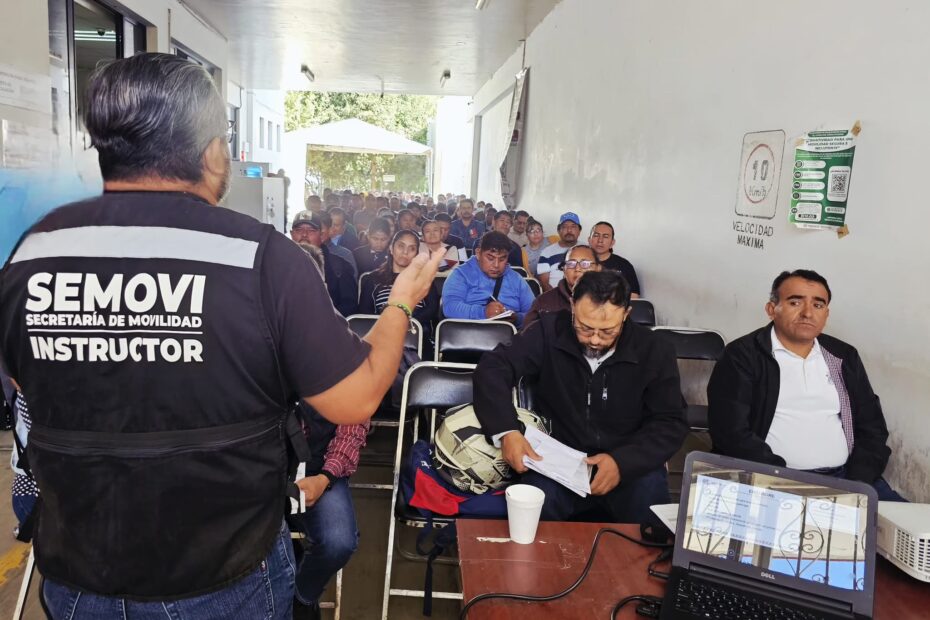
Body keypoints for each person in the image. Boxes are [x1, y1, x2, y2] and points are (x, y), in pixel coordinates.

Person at [0, 53, 445, 618]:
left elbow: (22, 381)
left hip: (78, 572)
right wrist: (402, 301)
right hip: (223, 577)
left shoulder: (35, 249)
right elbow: (355, 398)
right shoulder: (261, 258)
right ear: (211, 152)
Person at [473, 271, 688, 523]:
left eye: (608, 331)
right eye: (584, 328)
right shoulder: (548, 332)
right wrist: (507, 431)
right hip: (556, 463)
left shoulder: (654, 350)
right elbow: (494, 367)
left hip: (629, 464)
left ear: (626, 314)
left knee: (651, 527)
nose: (595, 340)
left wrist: (622, 462)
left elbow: (670, 420)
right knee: (531, 515)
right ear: (572, 306)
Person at [707, 270, 905, 501]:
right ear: (772, 309)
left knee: (910, 520)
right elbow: (730, 431)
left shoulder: (843, 356)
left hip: (846, 478)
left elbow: (872, 426)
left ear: (826, 314)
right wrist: (782, 479)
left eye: (818, 305)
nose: (808, 313)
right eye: (795, 302)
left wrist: (857, 480)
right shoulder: (743, 355)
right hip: (770, 480)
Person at [290, 403, 367, 620]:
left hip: (320, 468)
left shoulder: (346, 380)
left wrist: (325, 477)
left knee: (337, 542)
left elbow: (352, 428)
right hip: (262, 467)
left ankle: (300, 599)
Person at [441, 232, 535, 328]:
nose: (496, 265)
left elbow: (533, 314)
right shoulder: (461, 275)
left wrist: (517, 318)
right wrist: (483, 312)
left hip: (509, 334)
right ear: (478, 253)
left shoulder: (516, 279)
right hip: (468, 334)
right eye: (490, 258)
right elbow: (450, 308)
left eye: (502, 259)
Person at [359, 230, 440, 341]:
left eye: (412, 248)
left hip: (414, 335)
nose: (405, 252)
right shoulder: (373, 279)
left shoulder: (423, 279)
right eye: (401, 246)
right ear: (391, 249)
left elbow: (431, 309)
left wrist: (405, 322)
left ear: (416, 254)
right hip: (381, 335)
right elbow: (365, 313)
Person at [291, 211, 358, 317]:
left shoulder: (340, 267)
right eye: (299, 230)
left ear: (321, 235)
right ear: (291, 234)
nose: (304, 235)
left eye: (311, 230)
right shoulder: (278, 266)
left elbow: (349, 306)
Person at [523, 245, 600, 328]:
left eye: (585, 264)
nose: (577, 268)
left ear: (598, 268)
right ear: (563, 269)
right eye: (571, 264)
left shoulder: (608, 298)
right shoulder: (543, 302)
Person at [588, 221, 640, 298]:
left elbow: (634, 295)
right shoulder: (579, 263)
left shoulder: (624, 265)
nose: (600, 240)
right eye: (596, 235)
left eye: (605, 236)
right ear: (589, 240)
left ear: (612, 242)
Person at [537, 212, 581, 292]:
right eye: (564, 227)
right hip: (555, 296)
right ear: (558, 231)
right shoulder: (546, 253)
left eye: (573, 227)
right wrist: (558, 297)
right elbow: (544, 283)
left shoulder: (587, 250)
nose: (569, 230)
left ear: (579, 231)